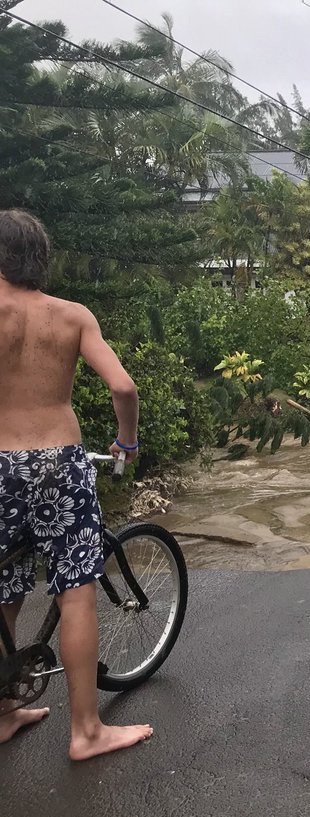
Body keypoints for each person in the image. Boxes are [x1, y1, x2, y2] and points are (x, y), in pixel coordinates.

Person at [0, 209, 153, 760]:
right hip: (59, 465)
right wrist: (127, 441)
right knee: (76, 590)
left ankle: (4, 711)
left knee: (4, 589)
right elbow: (124, 386)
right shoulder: (72, 316)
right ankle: (86, 730)